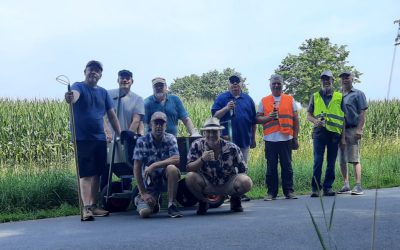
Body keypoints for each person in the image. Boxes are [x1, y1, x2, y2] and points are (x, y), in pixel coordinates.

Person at [64, 60, 121, 221]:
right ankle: (86, 208)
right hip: (82, 138)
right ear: (85, 71)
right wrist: (69, 97)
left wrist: (120, 133)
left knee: (97, 173)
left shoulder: (103, 92)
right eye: (91, 69)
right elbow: (73, 97)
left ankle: (93, 205)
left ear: (100, 75)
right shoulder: (78, 86)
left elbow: (111, 115)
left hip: (100, 138)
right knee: (86, 173)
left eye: (97, 70)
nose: (93, 72)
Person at [185, 117, 253, 215]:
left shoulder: (232, 147)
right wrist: (202, 159)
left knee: (246, 182)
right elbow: (189, 168)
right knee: (190, 177)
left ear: (220, 133)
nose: (211, 135)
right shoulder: (196, 145)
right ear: (204, 133)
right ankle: (203, 201)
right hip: (207, 183)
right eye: (208, 132)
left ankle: (235, 199)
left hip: (228, 182)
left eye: (215, 132)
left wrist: (237, 186)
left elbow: (243, 169)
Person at [211, 73, 256, 201]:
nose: (235, 85)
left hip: (244, 139)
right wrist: (226, 108)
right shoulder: (222, 98)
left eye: (237, 82)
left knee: (243, 166)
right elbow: (215, 116)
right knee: (226, 167)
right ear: (228, 85)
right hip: (226, 141)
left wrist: (253, 138)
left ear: (241, 84)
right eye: (232, 83)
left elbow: (253, 121)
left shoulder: (248, 99)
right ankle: (224, 194)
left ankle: (240, 192)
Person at [256, 74, 299, 201]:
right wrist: (268, 117)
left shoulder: (290, 99)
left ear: (282, 84)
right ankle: (271, 193)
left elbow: (296, 120)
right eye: (274, 83)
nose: (276, 85)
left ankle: (289, 191)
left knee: (287, 166)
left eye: (278, 83)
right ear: (270, 85)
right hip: (270, 140)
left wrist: (295, 138)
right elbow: (257, 119)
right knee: (271, 168)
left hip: (286, 138)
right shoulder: (264, 101)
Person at [133, 111, 183, 218]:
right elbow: (136, 168)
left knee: (172, 168)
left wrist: (154, 165)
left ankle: (171, 205)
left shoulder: (171, 138)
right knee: (144, 213)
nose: (159, 126)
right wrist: (143, 193)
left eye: (162, 123)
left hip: (167, 179)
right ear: (151, 125)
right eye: (156, 123)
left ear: (166, 125)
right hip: (150, 184)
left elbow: (176, 158)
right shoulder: (141, 141)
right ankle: (144, 199)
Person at [101, 69, 145, 190]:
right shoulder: (108, 95)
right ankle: (103, 196)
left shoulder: (137, 99)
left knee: (126, 165)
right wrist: (107, 131)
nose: (124, 80)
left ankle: (126, 190)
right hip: (108, 139)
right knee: (106, 167)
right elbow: (101, 115)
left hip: (126, 140)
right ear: (118, 80)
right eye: (122, 78)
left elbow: (136, 120)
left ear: (132, 81)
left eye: (127, 78)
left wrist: (127, 136)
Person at [307, 70, 345, 197]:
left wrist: (343, 138)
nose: (326, 81)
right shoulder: (315, 96)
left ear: (333, 81)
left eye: (328, 79)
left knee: (331, 161)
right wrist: (315, 121)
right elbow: (309, 115)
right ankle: (316, 188)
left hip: (334, 134)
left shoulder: (340, 97)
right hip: (319, 133)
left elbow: (343, 118)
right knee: (318, 161)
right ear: (321, 81)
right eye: (323, 79)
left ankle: (327, 187)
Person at [337, 71, 368, 195]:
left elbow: (362, 113)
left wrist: (359, 129)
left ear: (352, 79)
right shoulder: (339, 95)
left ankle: (358, 185)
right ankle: (346, 185)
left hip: (352, 128)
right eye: (343, 78)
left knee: (354, 158)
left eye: (347, 77)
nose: (345, 79)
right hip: (340, 130)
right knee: (342, 159)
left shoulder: (358, 94)